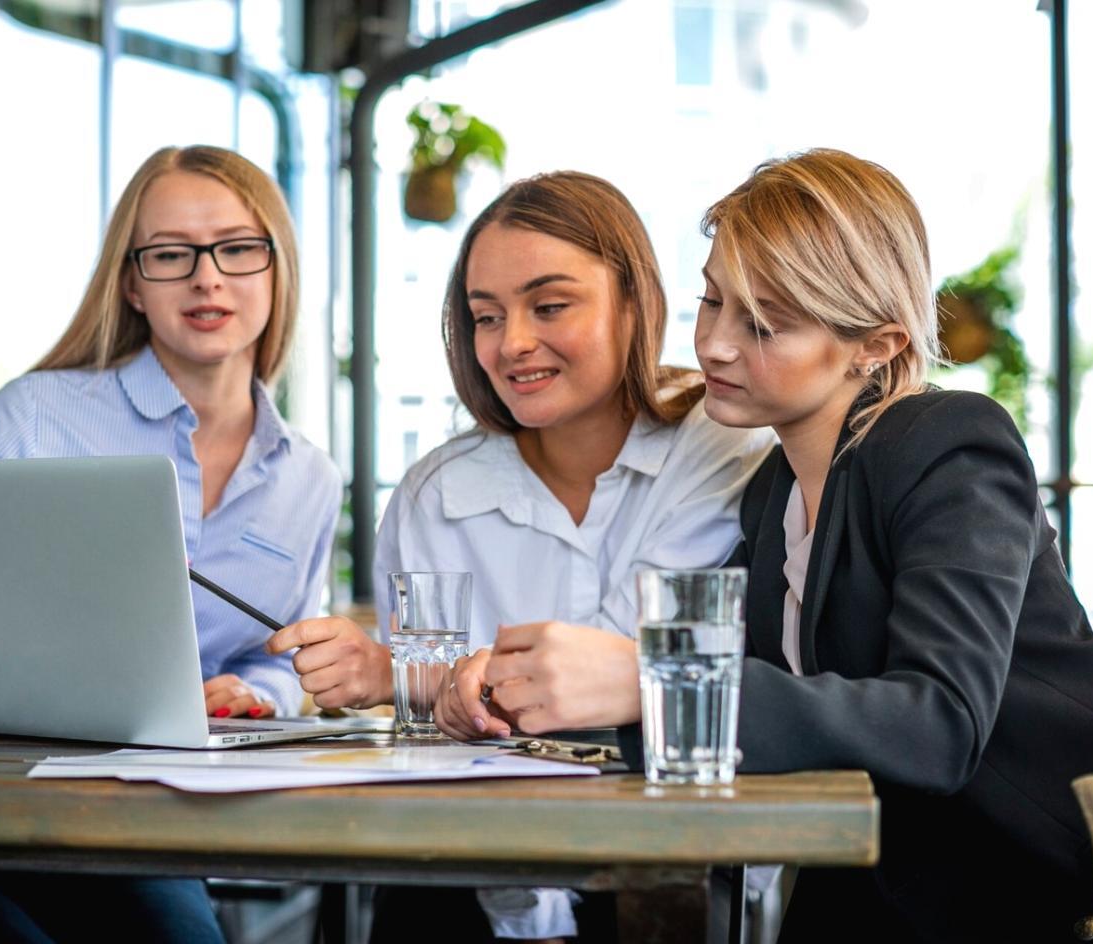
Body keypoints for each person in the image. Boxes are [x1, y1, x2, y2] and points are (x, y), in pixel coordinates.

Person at [0, 145, 341, 943]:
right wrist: (51, 617)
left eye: (237, 248)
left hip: (154, 818)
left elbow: (275, 657)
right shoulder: (39, 416)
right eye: (171, 254)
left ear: (275, 271)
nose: (207, 278)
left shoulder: (308, 479)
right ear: (132, 283)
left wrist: (257, 695)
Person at [679, 148, 1093, 942]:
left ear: (874, 344)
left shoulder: (946, 444)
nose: (713, 344)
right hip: (917, 877)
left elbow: (936, 723)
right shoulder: (772, 493)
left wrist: (652, 693)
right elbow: (765, 703)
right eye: (710, 301)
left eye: (762, 323)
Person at [267, 170, 770, 941]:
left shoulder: (718, 445)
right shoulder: (435, 492)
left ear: (633, 303)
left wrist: (399, 673)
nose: (512, 344)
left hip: (652, 872)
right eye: (484, 316)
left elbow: (607, 670)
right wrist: (398, 680)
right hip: (464, 877)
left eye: (549, 305)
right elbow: (429, 732)